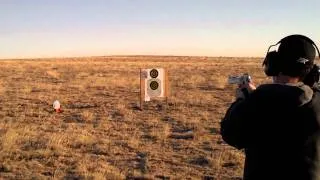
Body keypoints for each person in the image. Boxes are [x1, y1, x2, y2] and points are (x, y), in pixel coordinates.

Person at [220, 34, 320, 180]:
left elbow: (230, 134)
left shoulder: (259, 102)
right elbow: (290, 101)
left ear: (275, 65)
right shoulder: (316, 100)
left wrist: (241, 101)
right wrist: (257, 96)